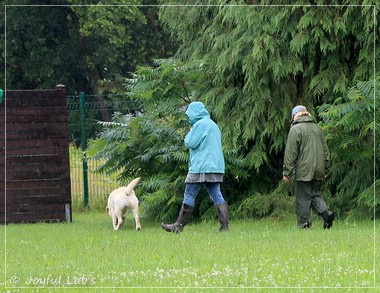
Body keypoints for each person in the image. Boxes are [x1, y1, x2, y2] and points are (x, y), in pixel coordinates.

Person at [161, 101, 228, 233]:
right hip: (216, 166)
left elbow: (190, 142)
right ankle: (224, 227)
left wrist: (190, 132)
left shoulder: (200, 124)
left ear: (194, 113)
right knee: (216, 193)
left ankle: (178, 226)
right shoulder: (213, 124)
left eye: (190, 114)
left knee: (189, 193)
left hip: (201, 166)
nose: (189, 118)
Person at [283, 105, 334, 229]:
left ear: (295, 115)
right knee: (313, 194)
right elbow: (325, 150)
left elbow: (291, 153)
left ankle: (304, 224)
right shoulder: (317, 128)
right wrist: (326, 168)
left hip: (304, 169)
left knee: (302, 198)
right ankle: (326, 214)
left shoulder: (296, 129)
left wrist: (286, 172)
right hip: (319, 168)